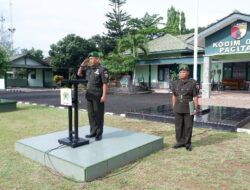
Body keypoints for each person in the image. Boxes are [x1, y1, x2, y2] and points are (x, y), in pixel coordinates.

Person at [77, 51, 109, 141]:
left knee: (98, 114)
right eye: (89, 59)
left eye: (92, 58)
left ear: (97, 58)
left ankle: (99, 133)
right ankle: (93, 132)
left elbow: (105, 83)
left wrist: (104, 96)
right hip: (89, 95)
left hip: (98, 95)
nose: (90, 60)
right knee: (91, 115)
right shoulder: (88, 69)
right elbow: (79, 74)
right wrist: (82, 64)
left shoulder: (103, 69)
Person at [171, 64, 199, 151]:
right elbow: (174, 96)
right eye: (180, 72)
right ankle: (180, 142)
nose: (181, 74)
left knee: (188, 126)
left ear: (188, 73)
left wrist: (195, 108)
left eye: (183, 72)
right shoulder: (175, 83)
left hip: (189, 105)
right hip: (178, 106)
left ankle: (187, 144)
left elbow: (195, 97)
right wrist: (174, 106)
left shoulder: (193, 83)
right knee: (178, 126)